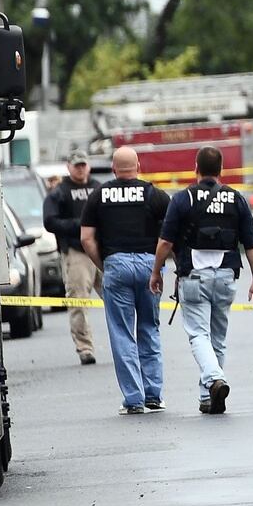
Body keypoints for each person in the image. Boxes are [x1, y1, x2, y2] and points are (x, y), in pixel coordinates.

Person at [150, 146, 253, 416]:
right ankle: (208, 397)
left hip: (194, 278)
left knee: (198, 334)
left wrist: (156, 272)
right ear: (221, 170)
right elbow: (251, 245)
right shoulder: (236, 199)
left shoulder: (183, 199)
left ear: (196, 168)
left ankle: (214, 379)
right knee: (218, 340)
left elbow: (166, 241)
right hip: (226, 277)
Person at [79, 147, 172, 415]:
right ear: (139, 167)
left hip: (116, 264)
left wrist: (105, 265)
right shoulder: (154, 194)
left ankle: (133, 400)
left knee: (122, 334)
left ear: (113, 169)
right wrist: (165, 265)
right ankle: (154, 395)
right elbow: (170, 235)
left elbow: (86, 238)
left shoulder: (99, 195)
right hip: (148, 265)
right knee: (149, 329)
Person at [43, 150, 101, 365]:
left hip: (102, 250)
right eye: (76, 165)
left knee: (117, 299)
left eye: (83, 165)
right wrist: (78, 225)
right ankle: (85, 348)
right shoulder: (60, 192)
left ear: (89, 166)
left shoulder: (97, 187)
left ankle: (126, 343)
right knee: (78, 302)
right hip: (77, 253)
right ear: (68, 167)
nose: (80, 168)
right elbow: (50, 221)